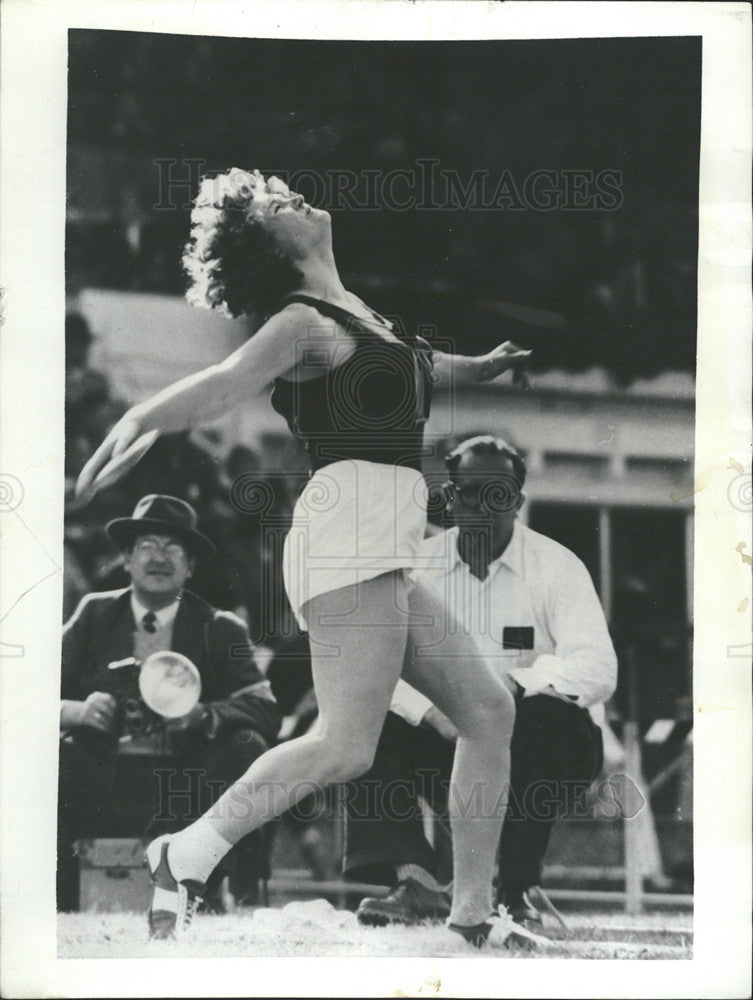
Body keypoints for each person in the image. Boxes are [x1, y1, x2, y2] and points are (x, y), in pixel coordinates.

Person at [76, 168, 532, 946]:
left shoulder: (365, 318)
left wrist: (477, 368)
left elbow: (420, 367)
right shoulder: (302, 319)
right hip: (345, 530)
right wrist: (141, 415)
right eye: (274, 205)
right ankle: (183, 854)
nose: (294, 198)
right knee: (347, 746)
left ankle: (472, 919)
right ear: (271, 245)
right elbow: (225, 382)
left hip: (379, 540)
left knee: (489, 711)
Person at [346, 435, 617, 927]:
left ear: (518, 500)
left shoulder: (557, 565)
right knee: (362, 718)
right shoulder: (416, 566)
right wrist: (433, 711)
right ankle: (417, 883)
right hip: (440, 738)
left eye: (498, 494)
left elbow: (598, 667)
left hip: (531, 743)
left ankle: (515, 889)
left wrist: (511, 690)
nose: (481, 506)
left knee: (550, 716)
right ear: (449, 496)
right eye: (468, 491)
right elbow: (377, 663)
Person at [58, 494, 281, 911]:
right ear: (126, 558)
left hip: (187, 792)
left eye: (172, 548)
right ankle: (57, 901)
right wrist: (79, 711)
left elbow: (265, 709)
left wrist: (203, 716)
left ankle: (227, 893)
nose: (158, 558)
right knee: (53, 755)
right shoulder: (94, 615)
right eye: (146, 546)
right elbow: (22, 692)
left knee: (249, 747)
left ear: (191, 565)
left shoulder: (220, 627)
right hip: (107, 783)